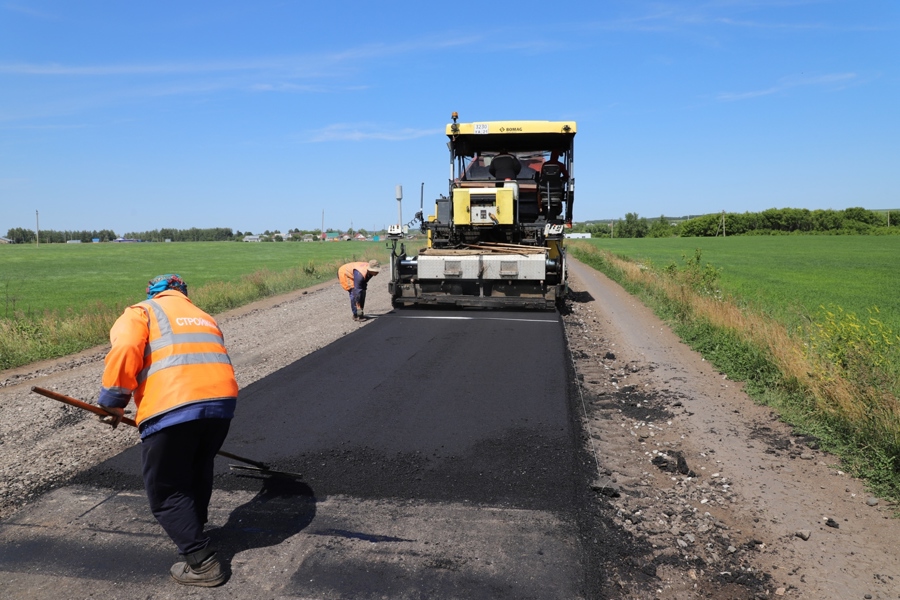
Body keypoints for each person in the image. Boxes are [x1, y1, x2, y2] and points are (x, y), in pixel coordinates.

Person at [97, 274, 238, 587]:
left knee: (167, 488)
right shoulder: (203, 317)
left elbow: (127, 347)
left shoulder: (141, 312)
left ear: (153, 293)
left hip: (173, 405)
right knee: (198, 469)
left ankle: (202, 563)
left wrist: (113, 400)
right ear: (183, 293)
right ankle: (195, 528)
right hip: (221, 405)